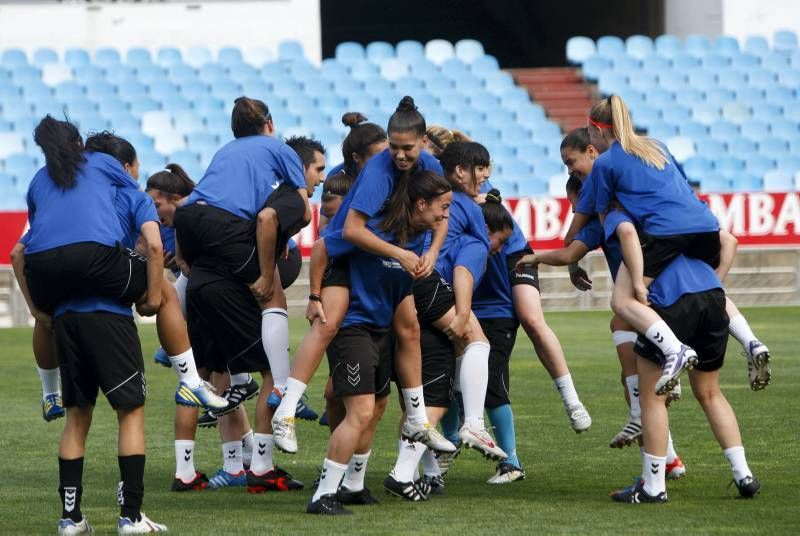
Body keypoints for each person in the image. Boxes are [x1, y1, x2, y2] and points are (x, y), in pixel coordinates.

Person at [271, 98, 456, 456]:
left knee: (410, 327)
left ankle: (417, 418)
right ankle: (286, 409)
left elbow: (443, 211)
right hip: (350, 255)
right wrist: (402, 254)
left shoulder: (429, 165)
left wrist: (431, 253)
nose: (401, 156)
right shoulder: (378, 171)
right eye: (394, 147)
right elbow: (352, 232)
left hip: (386, 258)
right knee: (328, 324)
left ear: (422, 142)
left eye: (408, 148)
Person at [21, 116, 167, 533]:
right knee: (131, 413)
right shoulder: (104, 165)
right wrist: (153, 298)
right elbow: (155, 245)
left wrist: (38, 309)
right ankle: (131, 517)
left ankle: (70, 520)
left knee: (77, 418)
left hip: (58, 299)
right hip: (107, 308)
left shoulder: (37, 179)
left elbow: (27, 247)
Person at [307, 170, 453, 515]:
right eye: (442, 208)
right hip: (352, 327)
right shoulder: (372, 231)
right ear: (420, 203)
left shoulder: (415, 238)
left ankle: (353, 487)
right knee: (360, 411)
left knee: (379, 407)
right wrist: (314, 296)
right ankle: (324, 494)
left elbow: (404, 303)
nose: (445, 216)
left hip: (380, 330)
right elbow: (323, 245)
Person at [174, 96, 313, 416]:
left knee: (205, 282)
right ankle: (281, 386)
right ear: (270, 124)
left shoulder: (224, 151)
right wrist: (269, 266)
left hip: (190, 226)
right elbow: (303, 208)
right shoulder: (280, 148)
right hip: (225, 226)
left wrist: (182, 257)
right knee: (271, 298)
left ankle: (215, 370)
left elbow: (186, 209)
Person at [608, 252, 761, 503]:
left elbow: (626, 300)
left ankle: (654, 486)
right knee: (711, 394)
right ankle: (744, 475)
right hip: (713, 299)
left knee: (651, 399)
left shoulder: (639, 224)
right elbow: (729, 240)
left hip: (672, 305)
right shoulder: (694, 226)